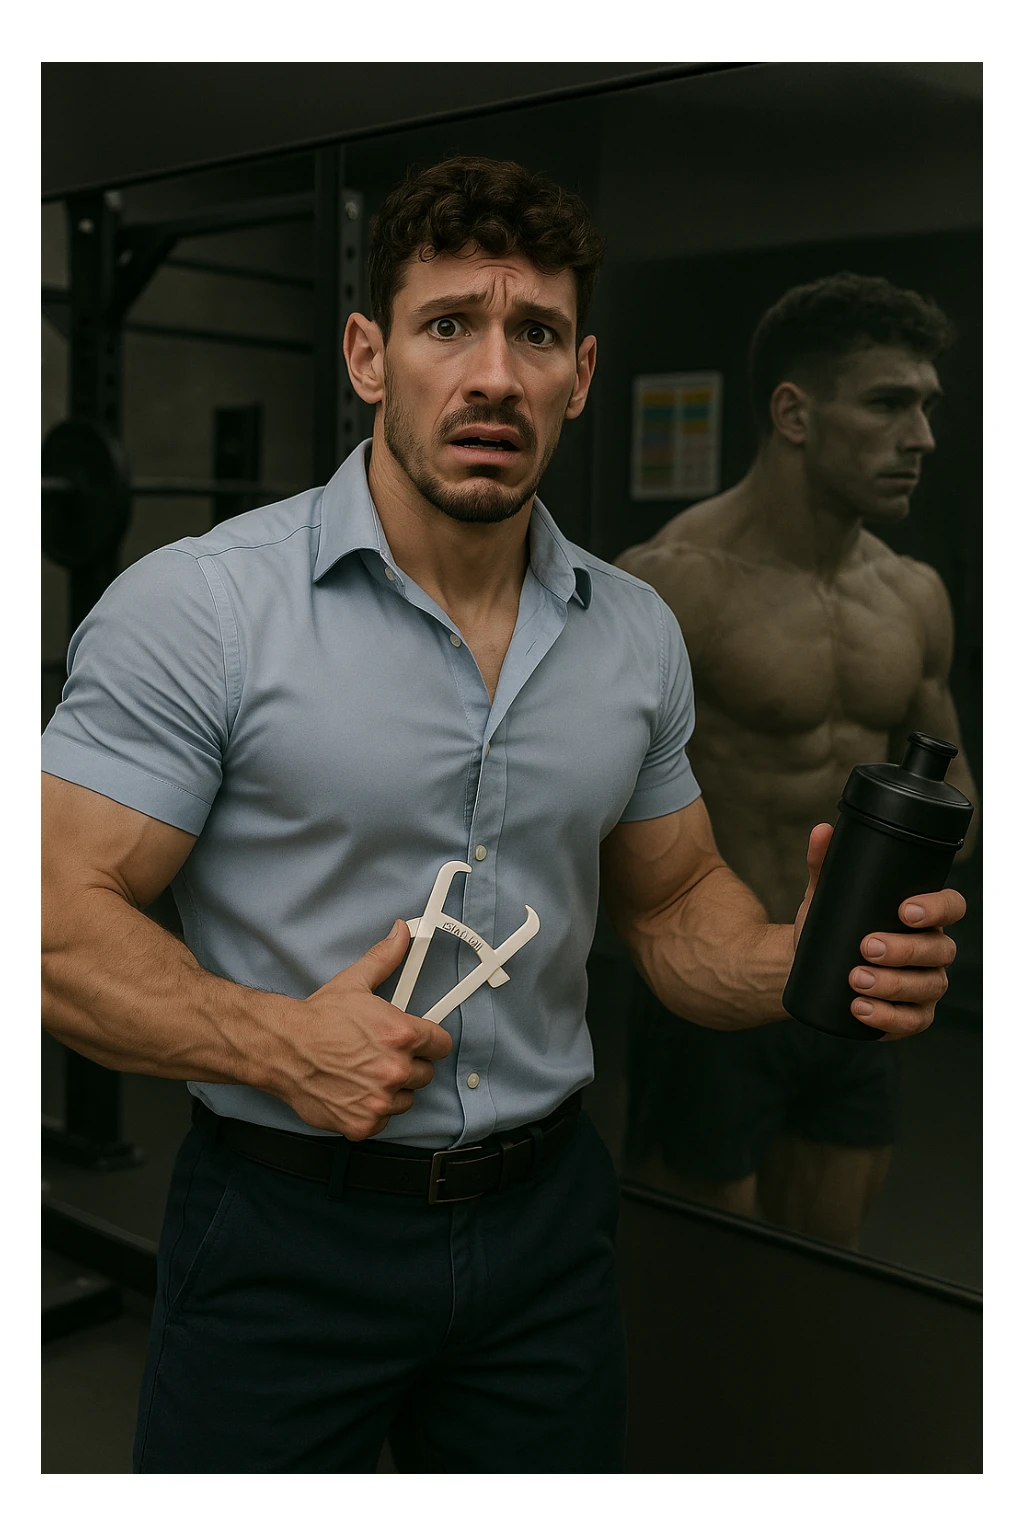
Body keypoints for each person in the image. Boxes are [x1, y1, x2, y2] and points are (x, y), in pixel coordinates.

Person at [40, 162, 964, 1474]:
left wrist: (804, 959)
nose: (494, 374)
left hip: (546, 1231)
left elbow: (669, 905)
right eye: (447, 325)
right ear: (369, 354)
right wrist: (279, 1044)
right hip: (288, 1229)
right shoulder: (201, 610)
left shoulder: (633, 631)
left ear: (579, 376)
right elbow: (50, 924)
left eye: (534, 333)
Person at [616, 273, 979, 1248]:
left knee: (827, 1274)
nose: (922, 438)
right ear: (793, 413)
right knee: (705, 1291)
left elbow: (959, 799)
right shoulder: (670, 586)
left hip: (851, 995)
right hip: (715, 997)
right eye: (887, 404)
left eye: (927, 407)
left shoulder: (912, 596)